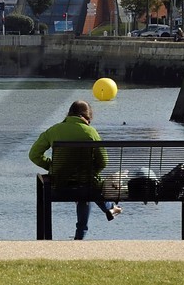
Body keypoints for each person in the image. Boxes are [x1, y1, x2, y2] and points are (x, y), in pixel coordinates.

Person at [29, 99, 120, 240]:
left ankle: (109, 209)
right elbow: (103, 161)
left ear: (69, 114)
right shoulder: (91, 132)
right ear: (86, 117)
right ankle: (84, 231)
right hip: (86, 184)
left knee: (85, 191)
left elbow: (34, 155)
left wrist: (51, 166)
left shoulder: (54, 130)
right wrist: (90, 172)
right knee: (87, 189)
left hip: (59, 185)